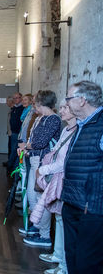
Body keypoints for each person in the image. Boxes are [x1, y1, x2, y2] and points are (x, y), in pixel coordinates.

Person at [60, 81, 103, 274]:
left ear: (83, 100)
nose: (67, 103)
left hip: (91, 208)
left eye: (69, 99)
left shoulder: (100, 125)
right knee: (73, 258)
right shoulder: (83, 125)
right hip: (73, 202)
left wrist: (92, 201)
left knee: (87, 262)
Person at [30, 100, 76, 274]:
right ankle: (57, 254)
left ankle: (64, 266)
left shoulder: (77, 130)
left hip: (64, 178)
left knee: (64, 221)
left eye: (65, 108)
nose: (61, 110)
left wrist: (43, 169)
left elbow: (64, 162)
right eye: (62, 107)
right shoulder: (66, 129)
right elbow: (55, 151)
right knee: (58, 218)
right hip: (55, 177)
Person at [20, 90, 61, 248]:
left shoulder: (52, 119)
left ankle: (44, 235)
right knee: (32, 196)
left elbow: (40, 142)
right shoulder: (41, 118)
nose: (33, 105)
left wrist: (26, 146)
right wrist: (27, 148)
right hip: (35, 159)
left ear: (41, 103)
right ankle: (37, 226)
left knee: (40, 198)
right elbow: (34, 140)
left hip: (43, 163)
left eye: (35, 102)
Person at [8, 92, 24, 173]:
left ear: (21, 98)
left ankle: (11, 168)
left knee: (15, 151)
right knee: (12, 150)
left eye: (17, 98)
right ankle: (11, 167)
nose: (15, 100)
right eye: (14, 98)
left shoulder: (22, 108)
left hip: (19, 133)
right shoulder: (14, 108)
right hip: (14, 132)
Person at [2, 95, 14, 167]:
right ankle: (9, 161)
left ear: (10, 101)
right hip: (10, 132)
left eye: (7, 101)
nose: (6, 103)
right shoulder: (11, 109)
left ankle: (10, 163)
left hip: (13, 133)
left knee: (12, 148)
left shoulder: (14, 110)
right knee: (10, 147)